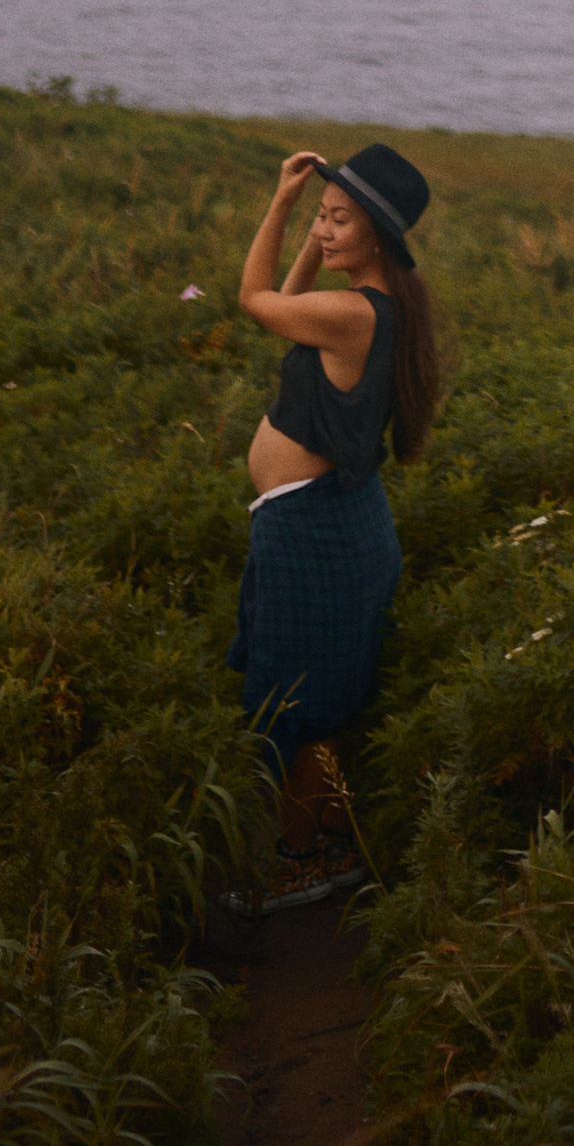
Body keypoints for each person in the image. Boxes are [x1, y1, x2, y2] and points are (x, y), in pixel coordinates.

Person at [228, 138, 442, 907]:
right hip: (327, 525)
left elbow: (254, 300)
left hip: (318, 534)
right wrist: (312, 235)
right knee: (316, 706)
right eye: (321, 214)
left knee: (303, 710)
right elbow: (283, 312)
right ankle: (331, 846)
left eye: (338, 220)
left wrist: (282, 202)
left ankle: (301, 861)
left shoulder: (353, 314)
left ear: (377, 236)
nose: (323, 230)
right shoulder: (367, 308)